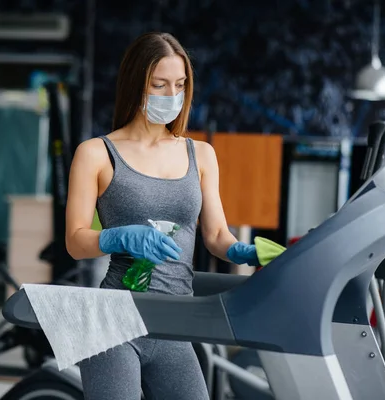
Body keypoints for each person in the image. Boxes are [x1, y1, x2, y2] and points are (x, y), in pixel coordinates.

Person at [65, 32, 260, 400]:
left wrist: (241, 251)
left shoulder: (200, 154)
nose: (172, 94)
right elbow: (75, 241)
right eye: (159, 84)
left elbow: (216, 234)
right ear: (137, 84)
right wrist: (117, 237)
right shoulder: (95, 154)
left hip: (175, 323)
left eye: (180, 84)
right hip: (114, 321)